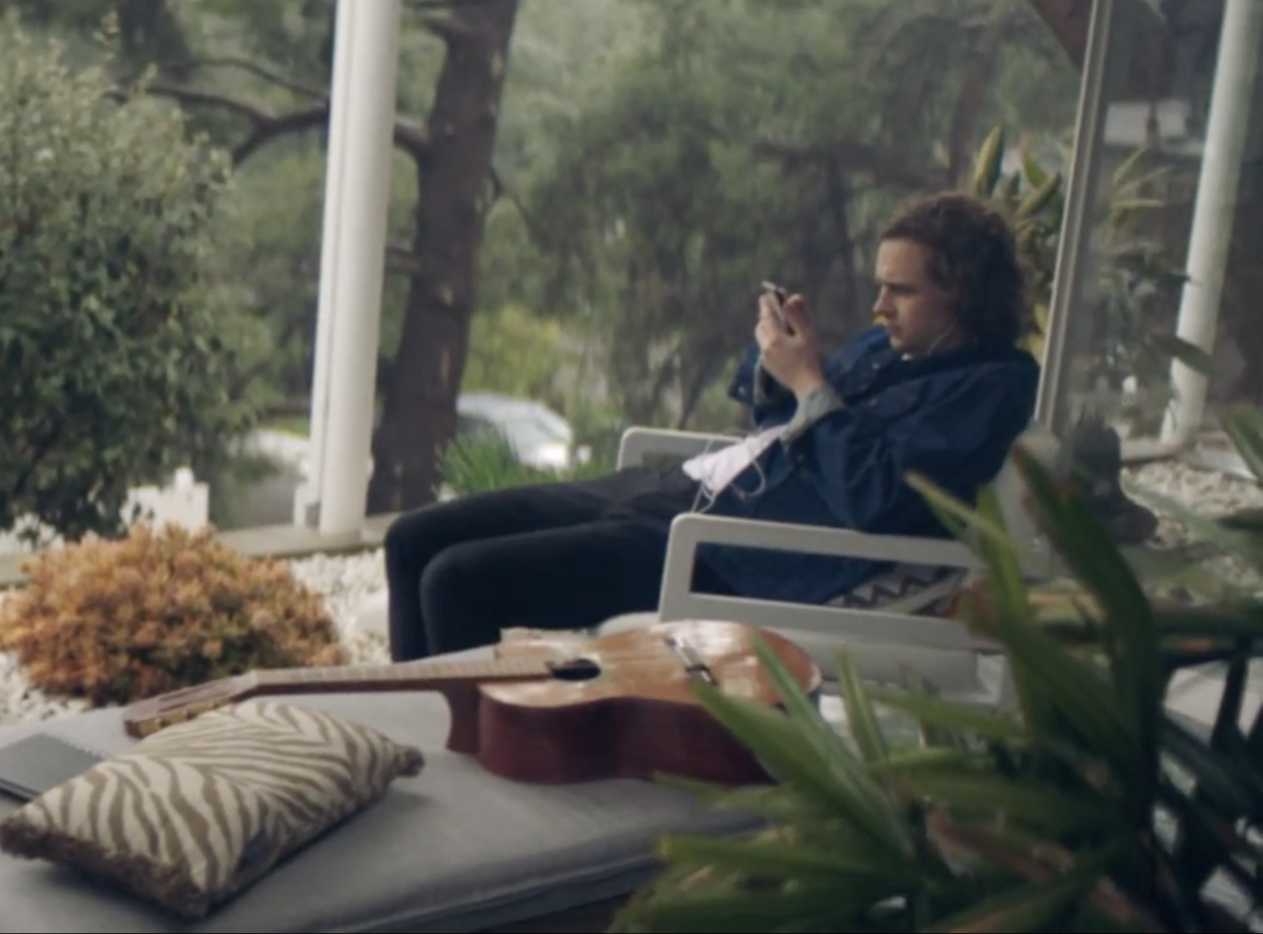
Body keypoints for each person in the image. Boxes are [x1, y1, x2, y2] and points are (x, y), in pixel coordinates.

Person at [381, 191, 1042, 660]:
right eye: (880, 286)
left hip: (723, 548)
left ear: (963, 293)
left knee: (456, 580)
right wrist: (780, 359)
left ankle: (452, 768)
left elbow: (876, 496)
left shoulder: (992, 390)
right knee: (414, 537)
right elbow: (791, 421)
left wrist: (810, 379)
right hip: (685, 488)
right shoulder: (885, 349)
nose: (879, 306)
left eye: (901, 290)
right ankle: (408, 725)